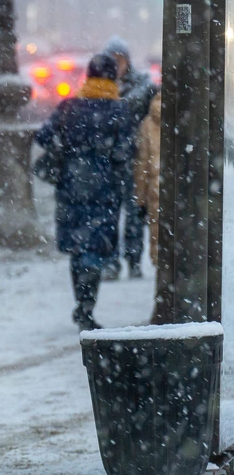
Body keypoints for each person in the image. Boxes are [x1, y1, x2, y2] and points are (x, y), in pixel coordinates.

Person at [36, 54, 133, 331]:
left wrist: (67, 149)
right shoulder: (119, 111)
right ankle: (86, 308)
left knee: (79, 248)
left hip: (70, 187)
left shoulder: (69, 107)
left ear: (88, 77)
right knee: (95, 248)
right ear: (113, 78)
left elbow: (42, 136)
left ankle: (81, 302)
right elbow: (126, 151)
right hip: (104, 190)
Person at [100, 36, 159, 280]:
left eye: (119, 59)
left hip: (136, 160)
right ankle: (112, 262)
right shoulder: (100, 88)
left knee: (135, 212)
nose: (116, 64)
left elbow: (154, 114)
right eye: (112, 59)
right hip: (109, 161)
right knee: (109, 214)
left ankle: (133, 260)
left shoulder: (142, 88)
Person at [133, 91, 162, 267]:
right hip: (183, 190)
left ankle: (163, 288)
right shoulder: (189, 116)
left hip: (156, 189)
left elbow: (142, 163)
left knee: (159, 240)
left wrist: (140, 198)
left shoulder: (148, 123)